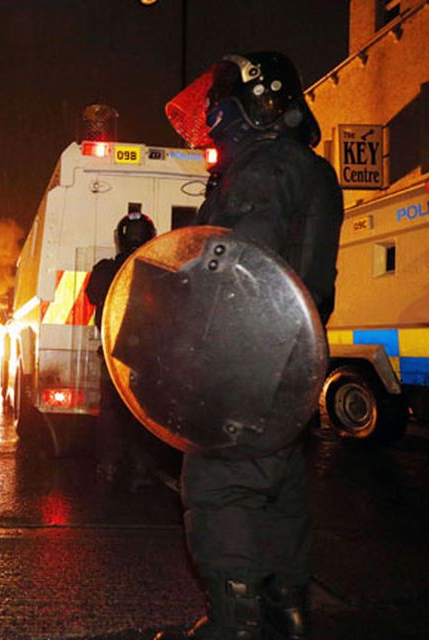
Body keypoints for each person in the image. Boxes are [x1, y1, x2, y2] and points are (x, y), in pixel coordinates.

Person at [156, 52, 342, 639]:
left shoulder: (260, 172)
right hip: (295, 357)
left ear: (258, 102)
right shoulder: (311, 170)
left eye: (222, 102)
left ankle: (234, 624)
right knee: (280, 485)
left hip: (246, 358)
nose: (213, 115)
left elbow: (237, 274)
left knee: (222, 484)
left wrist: (171, 298)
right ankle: (287, 611)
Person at [86, 207, 163, 490]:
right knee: (145, 413)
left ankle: (108, 465)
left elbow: (93, 295)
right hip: (148, 359)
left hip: (112, 356)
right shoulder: (158, 270)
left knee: (111, 412)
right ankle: (142, 468)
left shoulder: (104, 269)